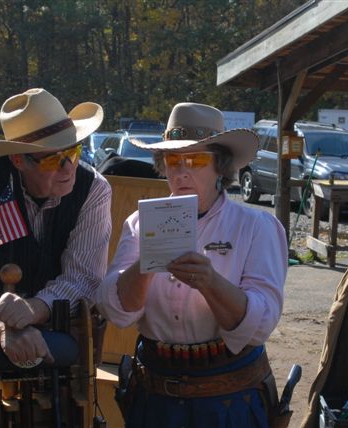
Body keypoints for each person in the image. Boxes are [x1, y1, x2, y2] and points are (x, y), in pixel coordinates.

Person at [95, 102, 288, 427]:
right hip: (154, 394)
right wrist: (147, 262)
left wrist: (211, 282)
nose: (182, 171)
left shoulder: (256, 226)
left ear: (220, 168)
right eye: (173, 160)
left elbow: (262, 323)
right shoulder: (140, 223)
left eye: (196, 160)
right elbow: (114, 308)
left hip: (229, 398)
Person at [0, 88, 112, 366]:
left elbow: (84, 278)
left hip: (58, 323)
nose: (68, 168)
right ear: (18, 160)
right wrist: (1, 328)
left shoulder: (94, 189)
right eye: (53, 159)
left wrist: (32, 310)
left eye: (74, 152)